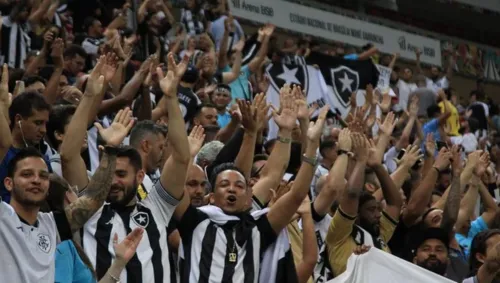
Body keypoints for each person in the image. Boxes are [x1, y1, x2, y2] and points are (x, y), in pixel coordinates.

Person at [129, 120, 165, 199]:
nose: (163, 154)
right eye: (160, 147)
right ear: (146, 146)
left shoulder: (131, 177)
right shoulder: (138, 181)